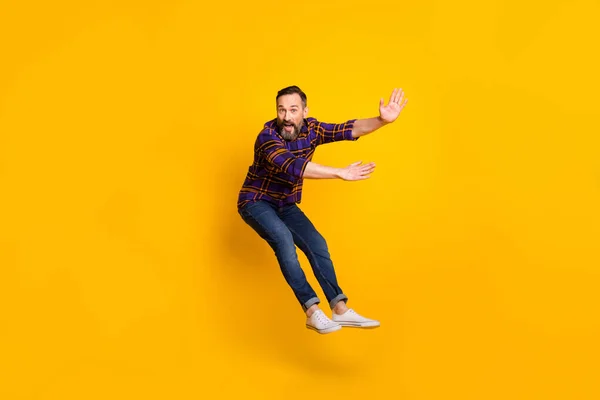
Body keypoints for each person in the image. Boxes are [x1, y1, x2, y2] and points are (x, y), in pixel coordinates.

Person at [237, 85, 408, 334]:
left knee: (317, 244)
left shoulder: (312, 129)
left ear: (305, 111)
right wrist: (339, 172)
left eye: (293, 110)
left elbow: (348, 129)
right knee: (284, 240)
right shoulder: (267, 137)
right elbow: (295, 167)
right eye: (281, 110)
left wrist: (382, 120)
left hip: (285, 204)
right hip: (255, 201)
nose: (286, 116)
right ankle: (312, 311)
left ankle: (339, 309)